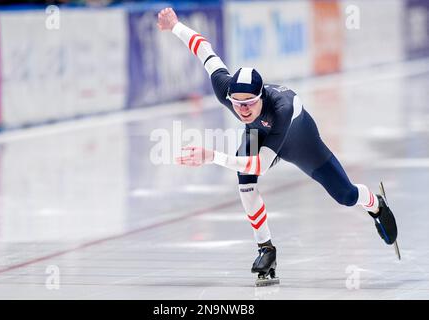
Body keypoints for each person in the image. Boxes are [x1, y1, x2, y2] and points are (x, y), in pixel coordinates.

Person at [157, 7, 398, 285]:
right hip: (258, 137)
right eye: (237, 104)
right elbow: (205, 51)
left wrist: (211, 156)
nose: (243, 110)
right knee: (245, 184)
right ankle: (266, 249)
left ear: (262, 97)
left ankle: (376, 205)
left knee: (345, 196)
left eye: (249, 103)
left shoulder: (283, 107)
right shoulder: (226, 90)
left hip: (301, 143)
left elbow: (259, 163)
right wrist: (175, 25)